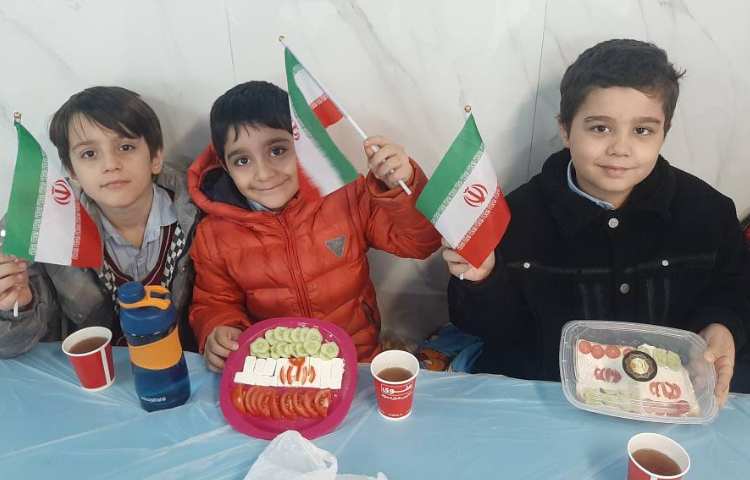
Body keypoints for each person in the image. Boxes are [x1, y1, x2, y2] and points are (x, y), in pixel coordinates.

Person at [443, 39, 749, 406]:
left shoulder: (707, 212)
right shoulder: (515, 217)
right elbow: (492, 330)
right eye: (600, 128)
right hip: (550, 400)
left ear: (664, 132)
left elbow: (734, 288)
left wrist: (723, 325)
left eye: (642, 131)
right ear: (565, 129)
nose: (620, 148)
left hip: (669, 403)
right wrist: (481, 280)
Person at [188, 80, 441, 371]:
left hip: (356, 360)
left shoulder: (344, 196)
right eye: (243, 160)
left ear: (302, 144)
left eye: (277, 151)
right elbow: (215, 302)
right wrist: (219, 330)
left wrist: (402, 185)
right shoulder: (213, 235)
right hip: (279, 372)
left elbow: (421, 242)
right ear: (225, 166)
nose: (264, 173)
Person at [0, 86, 198, 357]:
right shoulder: (44, 227)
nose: (111, 164)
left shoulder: (200, 207)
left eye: (126, 147)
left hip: (185, 365)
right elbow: (13, 346)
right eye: (89, 154)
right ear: (72, 172)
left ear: (155, 158)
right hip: (99, 371)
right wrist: (18, 307)